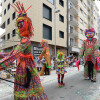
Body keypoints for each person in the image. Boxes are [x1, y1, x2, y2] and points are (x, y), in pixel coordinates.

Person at [0, 2, 48, 100]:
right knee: (24, 90)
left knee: (29, 91)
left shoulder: (25, 41)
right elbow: (12, 53)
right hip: (21, 69)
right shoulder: (23, 41)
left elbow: (13, 55)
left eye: (21, 23)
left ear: (27, 24)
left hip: (27, 70)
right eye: (18, 24)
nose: (19, 26)